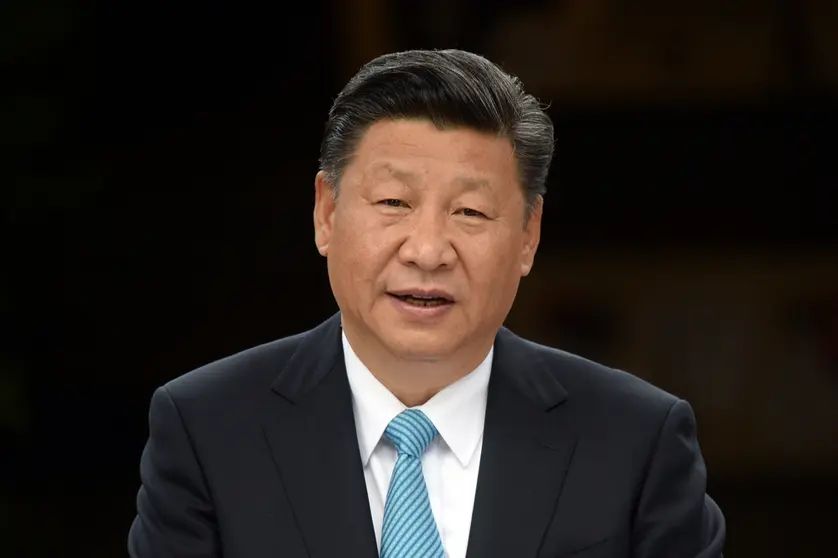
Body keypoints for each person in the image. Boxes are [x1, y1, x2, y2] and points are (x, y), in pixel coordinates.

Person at [128, 49, 725, 558]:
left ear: (528, 236)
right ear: (327, 213)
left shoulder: (635, 441)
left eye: (470, 212)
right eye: (393, 202)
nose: (429, 250)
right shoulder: (208, 429)